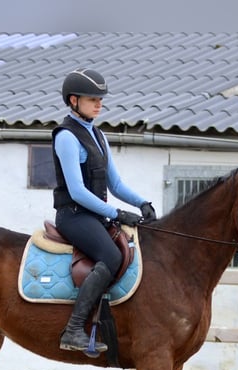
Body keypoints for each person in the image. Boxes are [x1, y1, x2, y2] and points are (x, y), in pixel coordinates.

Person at [52, 68, 157, 354]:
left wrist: (142, 203)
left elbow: (116, 183)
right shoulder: (66, 137)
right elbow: (77, 191)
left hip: (93, 215)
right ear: (73, 100)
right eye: (92, 99)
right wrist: (116, 213)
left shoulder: (98, 135)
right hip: (73, 215)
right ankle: (73, 329)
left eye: (100, 99)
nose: (99, 104)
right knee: (111, 255)